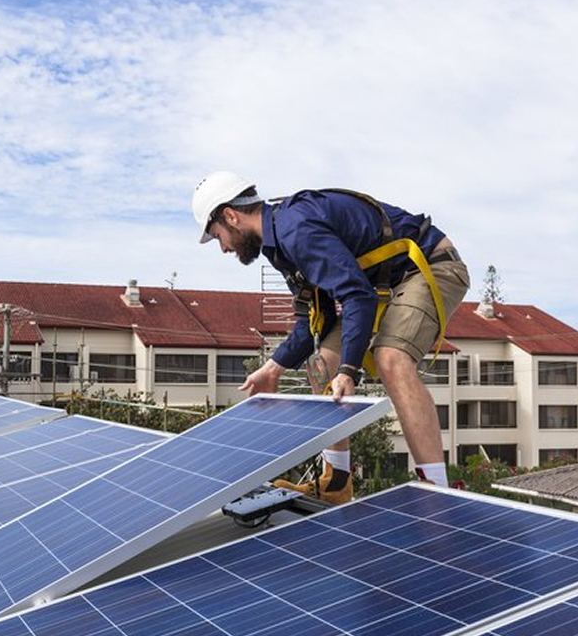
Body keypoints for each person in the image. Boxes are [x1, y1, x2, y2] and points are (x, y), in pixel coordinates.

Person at [192, 171, 470, 503]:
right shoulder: (279, 243)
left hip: (430, 265)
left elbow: (357, 297)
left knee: (390, 358)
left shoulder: (296, 229)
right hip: (379, 285)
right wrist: (273, 368)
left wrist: (348, 370)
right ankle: (336, 483)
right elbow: (312, 323)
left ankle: (436, 492)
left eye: (218, 235)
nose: (223, 248)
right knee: (322, 364)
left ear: (230, 216)